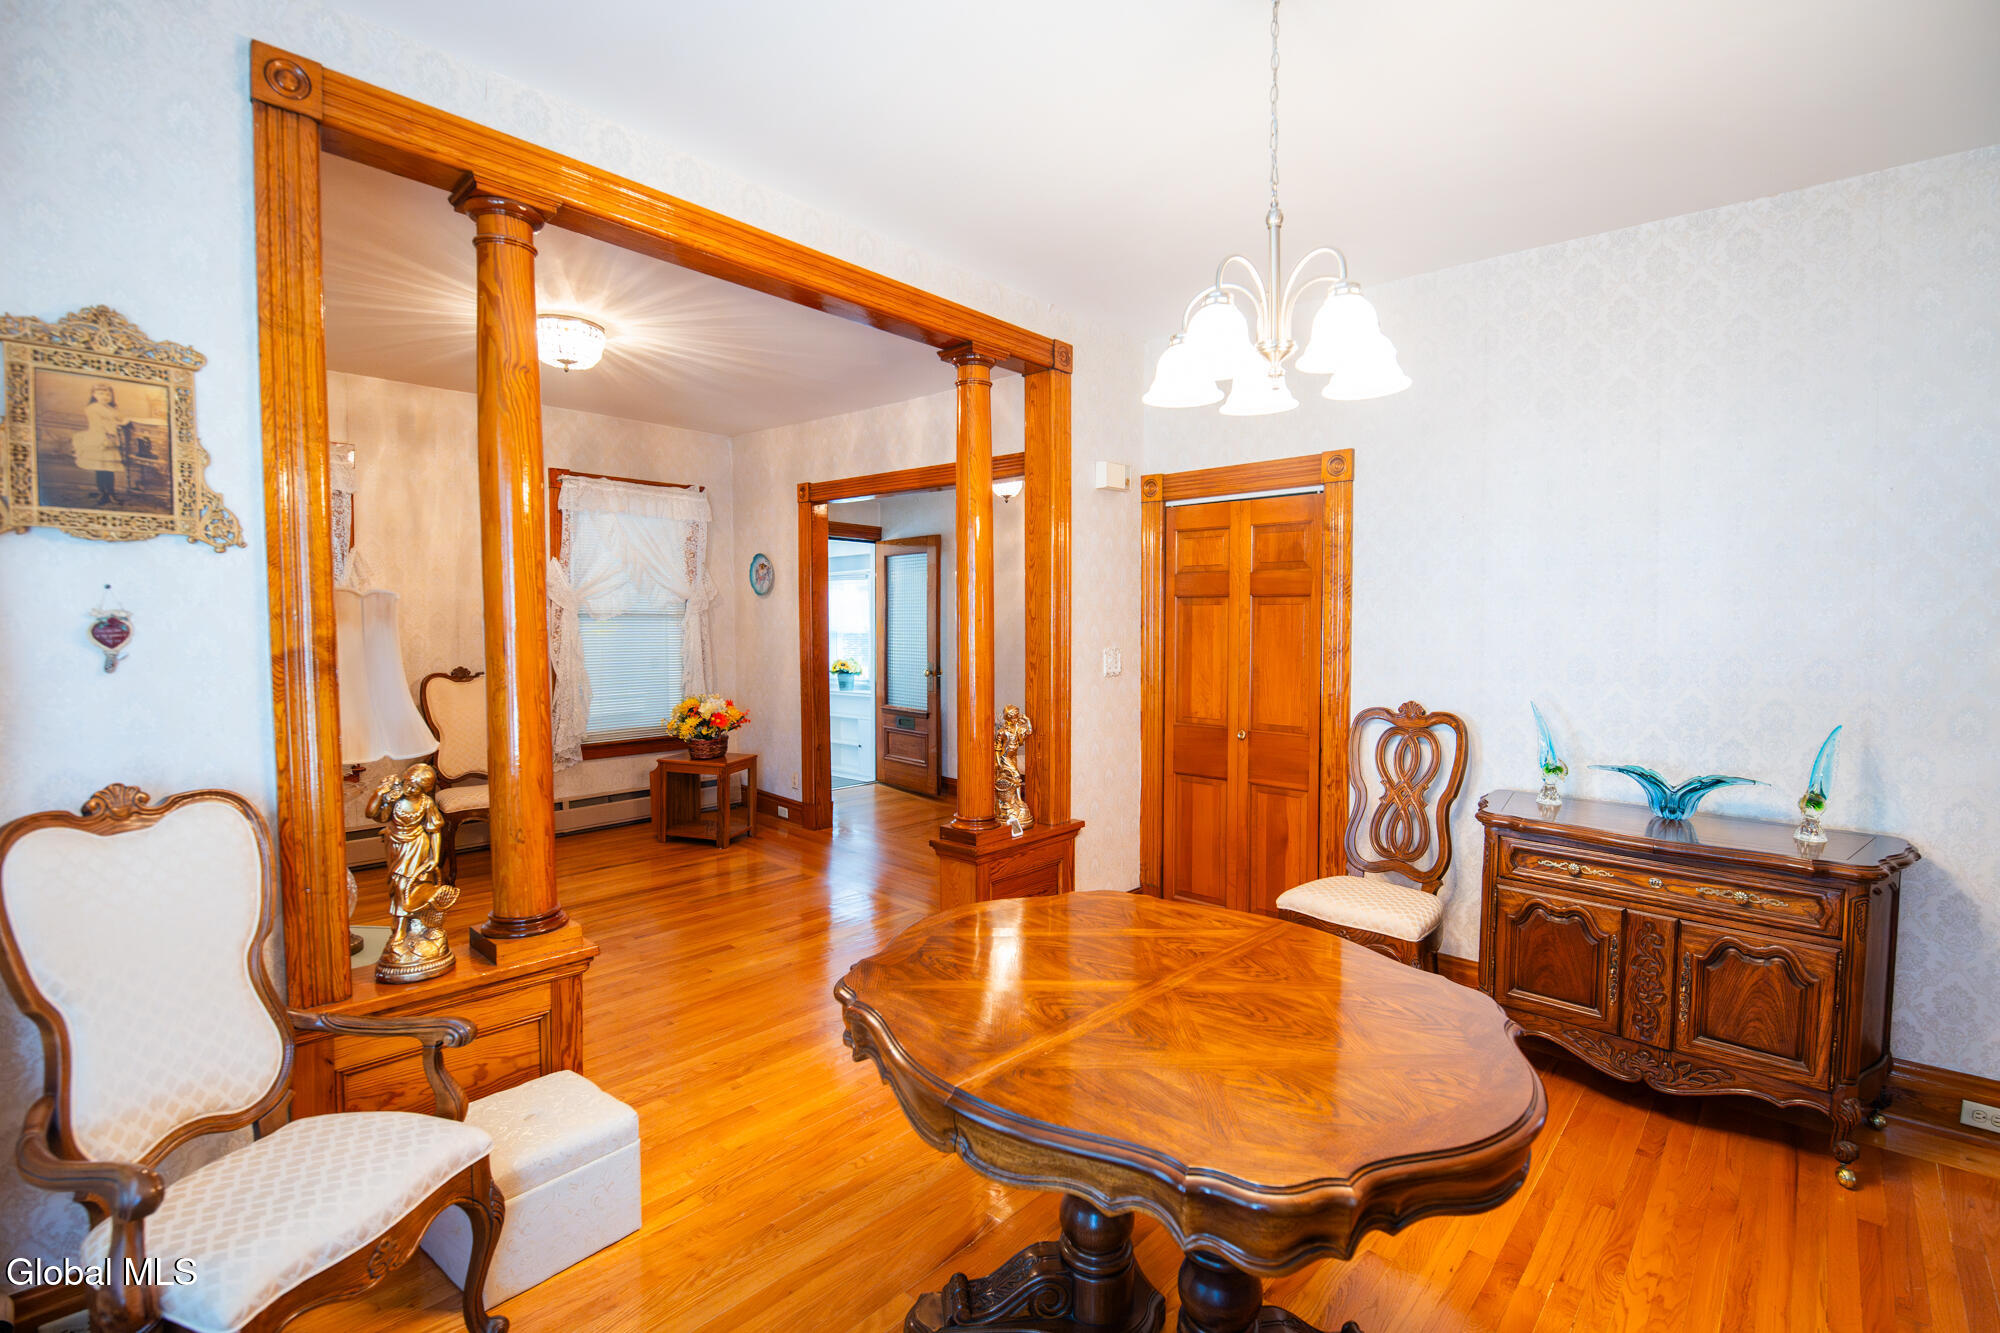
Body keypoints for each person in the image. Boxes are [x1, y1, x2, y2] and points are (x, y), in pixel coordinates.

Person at [68, 382, 128, 506]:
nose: (105, 397)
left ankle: (111, 493)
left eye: (108, 394)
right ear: (94, 395)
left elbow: (118, 419)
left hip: (111, 439)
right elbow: (99, 424)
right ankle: (103, 493)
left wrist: (123, 422)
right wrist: (111, 431)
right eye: (101, 394)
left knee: (109, 469)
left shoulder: (112, 409)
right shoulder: (92, 408)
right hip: (100, 439)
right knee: (100, 468)